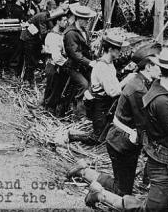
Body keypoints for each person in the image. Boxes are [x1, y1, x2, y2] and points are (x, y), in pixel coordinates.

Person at [75, 49, 168, 211]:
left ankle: (90, 179)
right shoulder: (161, 99)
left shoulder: (157, 88)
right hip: (150, 156)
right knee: (139, 201)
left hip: (157, 156)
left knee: (149, 199)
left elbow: (167, 126)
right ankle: (99, 194)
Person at [68, 43, 162, 198]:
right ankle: (87, 179)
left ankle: (83, 170)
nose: (161, 69)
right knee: (122, 191)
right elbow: (144, 123)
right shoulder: (138, 88)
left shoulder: (140, 82)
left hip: (121, 141)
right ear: (148, 67)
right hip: (122, 144)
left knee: (123, 186)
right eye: (158, 66)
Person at [80, 34, 133, 145]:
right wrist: (127, 80)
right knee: (96, 138)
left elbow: (112, 79)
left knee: (104, 132)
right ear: (110, 49)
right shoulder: (102, 66)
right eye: (118, 50)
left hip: (105, 102)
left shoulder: (109, 63)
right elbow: (112, 92)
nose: (120, 52)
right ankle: (71, 136)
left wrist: (125, 71)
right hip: (99, 104)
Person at [63, 4, 96, 113]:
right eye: (86, 20)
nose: (87, 22)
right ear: (79, 19)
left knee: (94, 83)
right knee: (84, 85)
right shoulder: (71, 33)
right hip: (73, 67)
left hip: (82, 66)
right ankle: (79, 113)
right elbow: (75, 54)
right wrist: (90, 62)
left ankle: (88, 110)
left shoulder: (83, 30)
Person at [43, 14, 69, 113]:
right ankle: (49, 107)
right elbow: (56, 56)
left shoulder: (59, 34)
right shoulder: (53, 36)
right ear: (58, 22)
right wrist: (66, 63)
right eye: (64, 20)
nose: (66, 22)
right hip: (53, 64)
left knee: (54, 86)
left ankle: (48, 105)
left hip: (57, 63)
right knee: (54, 86)